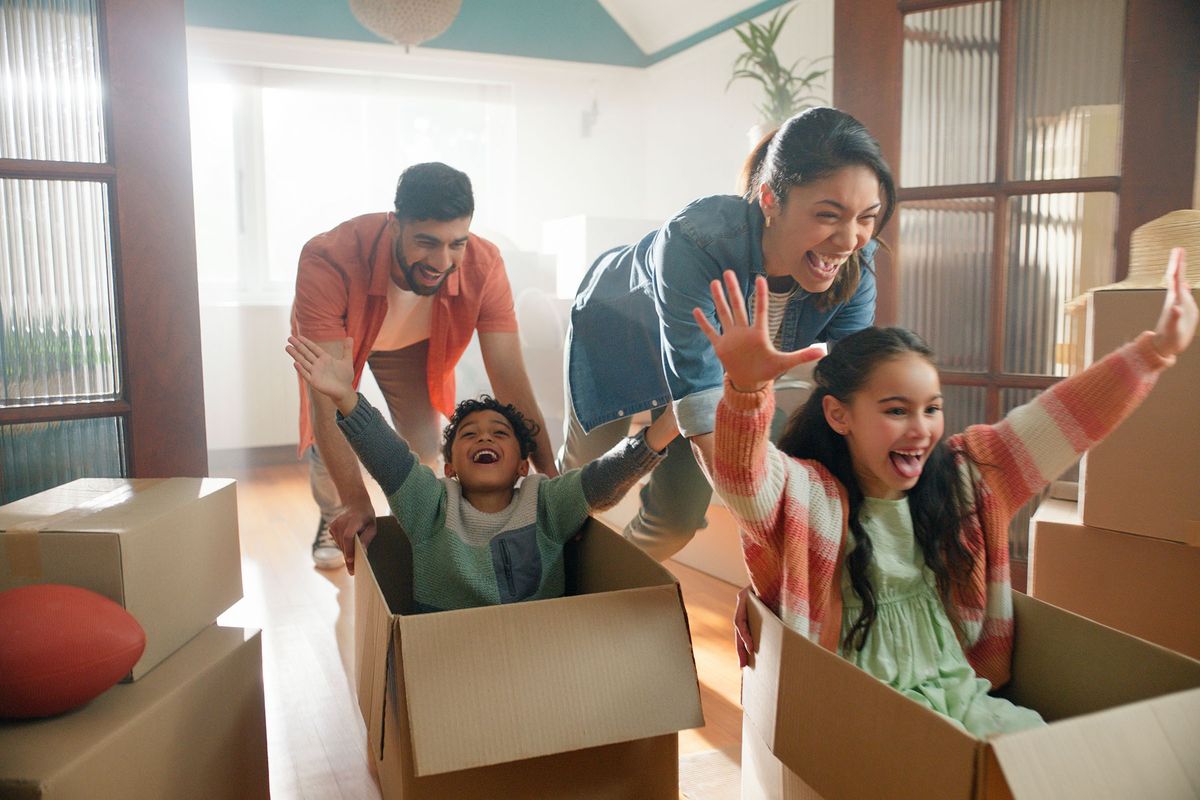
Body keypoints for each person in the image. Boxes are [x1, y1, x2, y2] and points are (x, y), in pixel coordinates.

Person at [697, 249, 1196, 737]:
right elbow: (743, 479)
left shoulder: (965, 479)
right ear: (838, 415)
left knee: (1044, 753)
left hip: (962, 692)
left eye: (931, 408)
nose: (920, 429)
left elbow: (1064, 418)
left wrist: (1155, 351)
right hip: (859, 714)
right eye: (896, 411)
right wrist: (744, 390)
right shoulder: (808, 497)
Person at [561, 107, 896, 561]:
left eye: (867, 218)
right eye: (828, 215)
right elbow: (699, 397)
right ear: (770, 200)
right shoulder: (696, 240)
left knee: (676, 522)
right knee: (579, 489)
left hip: (708, 375)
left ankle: (611, 592)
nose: (849, 240)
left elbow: (853, 392)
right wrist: (767, 519)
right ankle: (550, 575)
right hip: (619, 337)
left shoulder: (855, 267)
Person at [291, 162, 557, 570]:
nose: (442, 260)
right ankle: (332, 516)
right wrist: (358, 505)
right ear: (394, 224)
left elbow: (510, 379)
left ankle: (419, 526)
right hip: (345, 336)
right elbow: (327, 401)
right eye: (427, 242)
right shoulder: (328, 257)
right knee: (327, 438)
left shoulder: (484, 264)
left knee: (423, 445)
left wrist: (552, 477)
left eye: (457, 243)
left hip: (412, 346)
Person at [286, 333, 680, 601]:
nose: (485, 438)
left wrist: (662, 431)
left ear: (523, 467)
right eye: (470, 435)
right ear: (451, 467)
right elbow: (389, 457)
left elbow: (601, 480)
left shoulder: (545, 502)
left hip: (537, 653)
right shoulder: (431, 505)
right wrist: (346, 397)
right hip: (449, 660)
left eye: (500, 434)